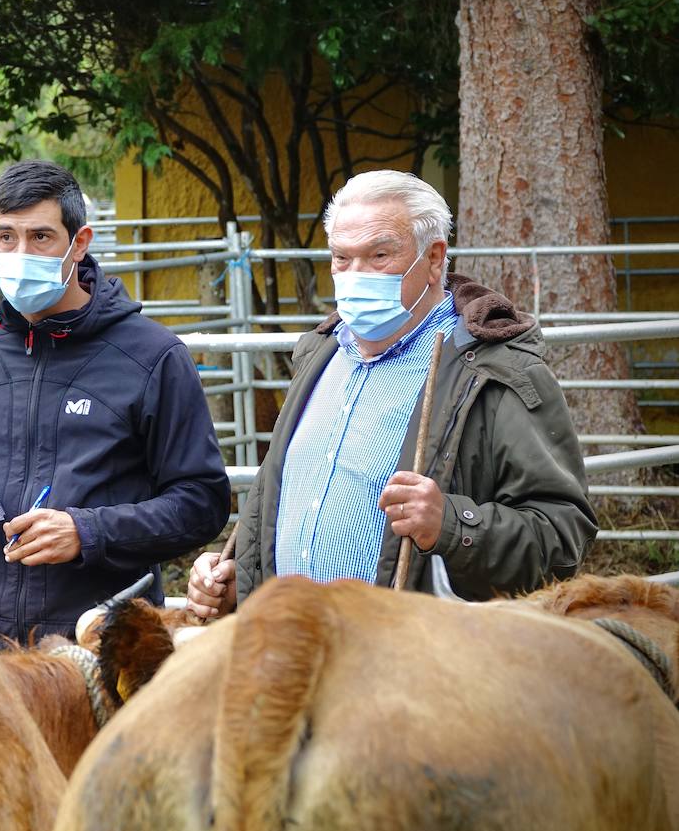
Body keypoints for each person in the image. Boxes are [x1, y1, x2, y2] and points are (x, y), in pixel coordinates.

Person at [185, 170, 597, 619]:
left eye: (379, 255)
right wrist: (235, 583)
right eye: (342, 258)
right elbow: (278, 503)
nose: (355, 276)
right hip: (292, 654)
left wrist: (451, 525)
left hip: (409, 666)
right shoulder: (319, 356)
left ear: (435, 258)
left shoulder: (496, 371)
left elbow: (562, 535)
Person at [0, 160, 231, 644]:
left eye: (40, 237)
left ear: (79, 243)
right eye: (6, 237)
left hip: (102, 638)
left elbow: (201, 504)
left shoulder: (152, 355)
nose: (20, 252)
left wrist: (87, 532)